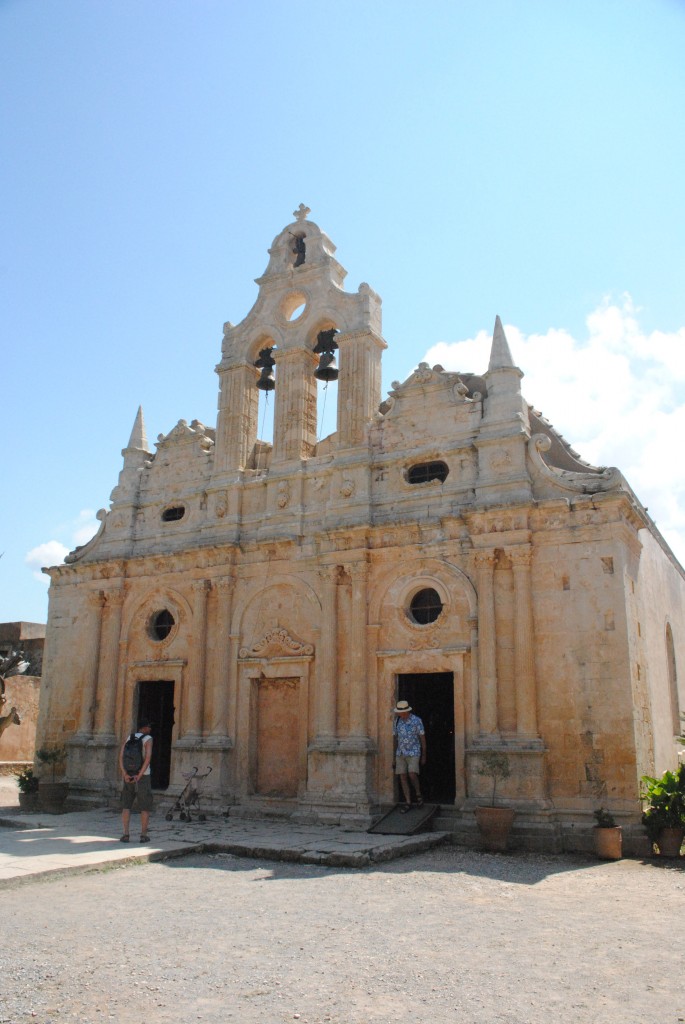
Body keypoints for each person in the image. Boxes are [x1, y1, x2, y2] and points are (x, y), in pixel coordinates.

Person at [119, 720, 153, 843]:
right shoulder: (148, 738)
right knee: (145, 806)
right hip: (143, 776)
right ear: (145, 728)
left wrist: (125, 773)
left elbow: (121, 756)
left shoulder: (129, 737)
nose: (150, 729)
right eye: (149, 727)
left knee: (126, 805)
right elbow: (148, 758)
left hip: (129, 775)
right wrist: (140, 774)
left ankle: (125, 834)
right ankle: (143, 835)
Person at [393, 700, 427, 812]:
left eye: (401, 712)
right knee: (402, 776)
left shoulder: (417, 721)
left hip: (414, 751)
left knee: (412, 774)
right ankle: (408, 801)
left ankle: (418, 794)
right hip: (401, 753)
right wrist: (394, 756)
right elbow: (395, 738)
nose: (399, 714)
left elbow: (422, 738)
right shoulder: (397, 721)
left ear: (407, 712)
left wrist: (424, 755)